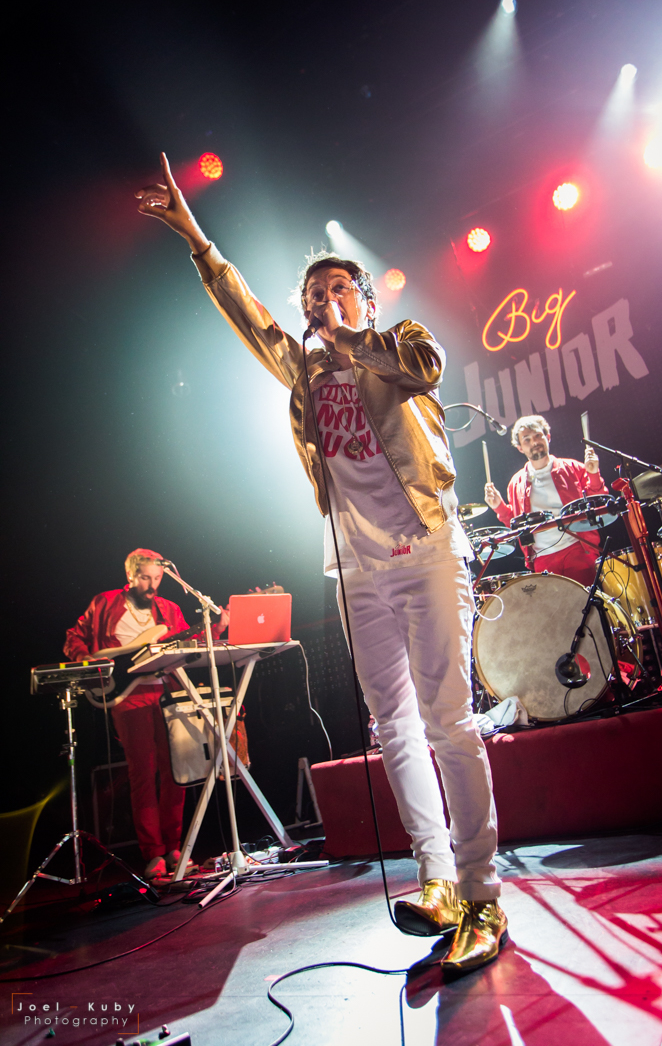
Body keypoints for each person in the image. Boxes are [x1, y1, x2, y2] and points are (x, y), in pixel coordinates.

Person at [134, 154, 506, 975]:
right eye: (313, 296)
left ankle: (484, 894)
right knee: (393, 726)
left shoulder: (399, 341)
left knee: (448, 722)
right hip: (357, 571)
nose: (321, 302)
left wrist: (347, 337)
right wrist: (197, 239)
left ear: (366, 299)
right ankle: (437, 881)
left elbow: (426, 371)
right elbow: (247, 315)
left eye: (338, 289)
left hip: (428, 549)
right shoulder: (300, 369)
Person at [64, 548, 228, 880]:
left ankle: (174, 848)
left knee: (176, 771)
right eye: (144, 578)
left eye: (157, 578)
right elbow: (73, 639)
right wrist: (92, 666)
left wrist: (217, 628)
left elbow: (189, 644)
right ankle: (152, 853)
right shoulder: (104, 603)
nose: (152, 585)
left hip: (167, 691)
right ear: (130, 575)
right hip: (127, 695)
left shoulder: (169, 609)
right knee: (143, 772)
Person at [484, 415, 608, 586]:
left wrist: (593, 474)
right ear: (520, 448)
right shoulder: (515, 483)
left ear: (548, 437)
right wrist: (499, 507)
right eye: (527, 439)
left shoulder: (572, 467)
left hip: (579, 550)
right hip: (542, 559)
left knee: (587, 602)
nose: (534, 442)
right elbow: (516, 525)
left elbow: (599, 503)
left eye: (538, 435)